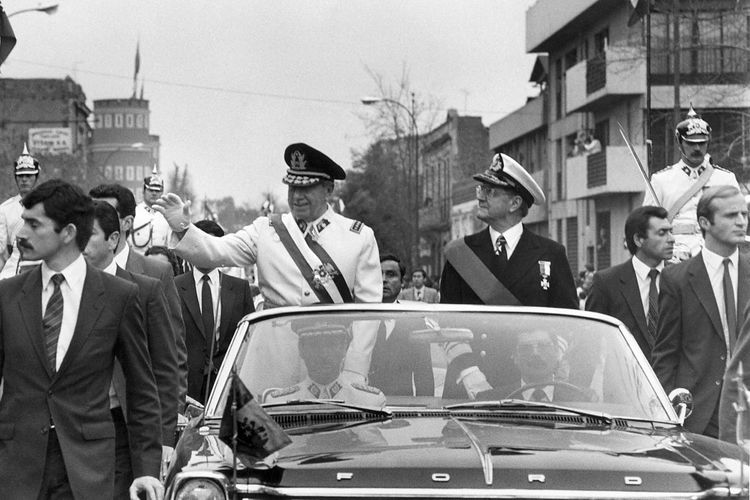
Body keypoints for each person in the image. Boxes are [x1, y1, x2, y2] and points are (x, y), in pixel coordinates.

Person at [154, 143, 381, 379]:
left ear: (329, 189)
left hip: (335, 365)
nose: (297, 196)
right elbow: (217, 251)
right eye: (292, 188)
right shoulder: (267, 229)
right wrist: (182, 226)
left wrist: (354, 371)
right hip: (274, 364)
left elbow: (369, 316)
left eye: (307, 188)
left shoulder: (358, 237)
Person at [0, 180, 163, 499]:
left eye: (34, 224)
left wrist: (145, 469)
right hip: (17, 466)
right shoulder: (7, 295)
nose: (21, 234)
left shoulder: (119, 297)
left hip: (88, 469)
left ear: (69, 232)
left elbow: (142, 389)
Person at [83, 200, 179, 498]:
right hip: (75, 425)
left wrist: (163, 438)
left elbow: (165, 368)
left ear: (113, 239)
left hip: (123, 426)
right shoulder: (66, 291)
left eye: (89, 235)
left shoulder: (144, 290)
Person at [652, 185, 750, 438]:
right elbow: (666, 353)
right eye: (731, 216)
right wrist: (665, 419)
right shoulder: (678, 280)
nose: (742, 222)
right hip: (699, 415)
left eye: (744, 214)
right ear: (705, 222)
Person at [90, 183, 187, 409]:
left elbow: (173, 355)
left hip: (137, 415)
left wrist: (170, 422)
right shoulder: (74, 275)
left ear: (126, 223)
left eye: (105, 212)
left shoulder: (156, 274)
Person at [440, 152, 577, 308]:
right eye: (481, 189)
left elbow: (567, 325)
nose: (480, 197)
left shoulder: (551, 254)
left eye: (489, 191)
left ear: (515, 203)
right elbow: (448, 323)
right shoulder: (461, 254)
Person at [643, 106, 739, 261]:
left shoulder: (725, 179)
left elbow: (736, 220)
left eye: (702, 143)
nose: (697, 148)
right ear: (679, 142)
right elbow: (647, 226)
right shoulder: (661, 180)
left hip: (716, 253)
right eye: (690, 143)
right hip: (675, 255)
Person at [174, 219, 255, 403]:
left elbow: (249, 340)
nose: (205, 253)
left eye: (211, 247)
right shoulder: (174, 287)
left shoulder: (239, 288)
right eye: (201, 246)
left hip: (228, 385)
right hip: (186, 387)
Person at [586, 206, 674, 362]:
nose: (671, 239)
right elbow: (591, 342)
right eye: (662, 233)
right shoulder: (607, 283)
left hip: (671, 382)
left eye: (670, 231)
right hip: (625, 379)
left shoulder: (680, 279)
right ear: (638, 239)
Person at [263, 320, 386, 407]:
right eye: (314, 345)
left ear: (344, 348)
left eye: (331, 344)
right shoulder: (279, 404)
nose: (323, 354)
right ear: (301, 349)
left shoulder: (370, 402)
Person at [370, 254, 434, 395]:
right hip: (362, 408)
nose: (384, 279)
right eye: (378, 274)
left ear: (402, 282)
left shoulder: (414, 322)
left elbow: (424, 375)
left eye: (391, 275)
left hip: (402, 407)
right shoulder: (359, 318)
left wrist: (424, 412)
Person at [478, 329, 594, 403]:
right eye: (526, 348)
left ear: (556, 352)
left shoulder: (582, 399)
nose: (535, 354)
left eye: (543, 346)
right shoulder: (490, 400)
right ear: (515, 357)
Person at [0, 143, 41, 278]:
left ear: (36, 177)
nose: (24, 180)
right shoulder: (5, 209)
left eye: (28, 176)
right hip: (14, 265)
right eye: (21, 176)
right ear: (16, 178)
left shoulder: (47, 204)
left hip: (43, 260)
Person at [130, 167, 172, 255]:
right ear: (144, 191)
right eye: (150, 190)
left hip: (159, 263)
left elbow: (170, 247)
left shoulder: (166, 216)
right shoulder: (134, 212)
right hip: (137, 262)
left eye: (157, 191)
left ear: (162, 193)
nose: (154, 193)